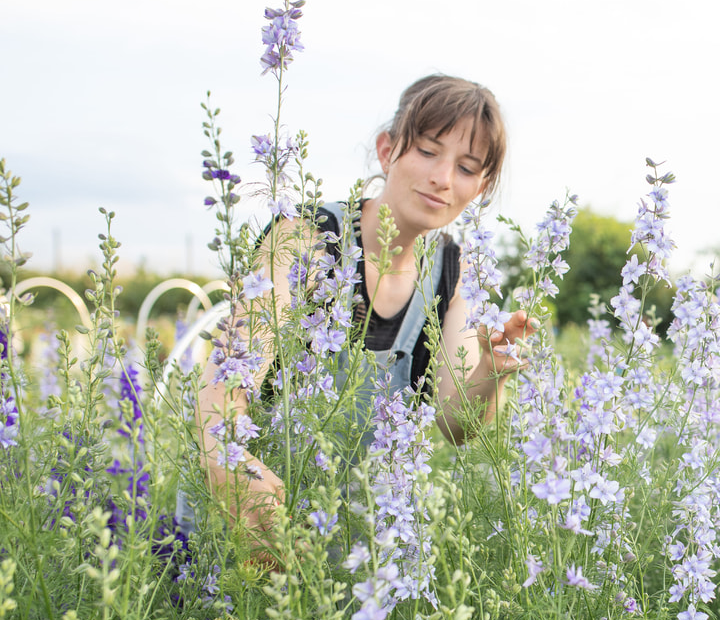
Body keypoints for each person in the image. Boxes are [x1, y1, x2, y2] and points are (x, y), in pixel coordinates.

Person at [190, 74, 532, 567]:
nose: (442, 178)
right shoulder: (306, 239)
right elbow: (230, 373)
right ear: (387, 150)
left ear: (480, 188)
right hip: (247, 522)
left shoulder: (454, 273)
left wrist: (492, 372)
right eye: (429, 151)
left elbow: (456, 424)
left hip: (354, 551)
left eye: (466, 167)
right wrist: (226, 460)